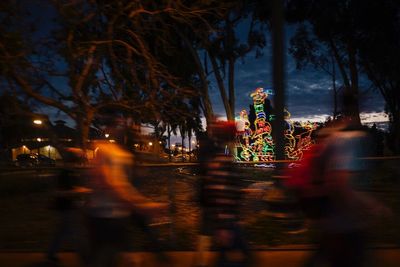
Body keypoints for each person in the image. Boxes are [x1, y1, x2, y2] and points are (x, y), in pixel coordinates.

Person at [286, 117, 391, 267]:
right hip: (343, 220)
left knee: (326, 253)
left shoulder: (324, 148)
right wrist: (366, 207)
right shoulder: (345, 143)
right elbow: (338, 182)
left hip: (328, 214)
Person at [84, 141, 167, 267]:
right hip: (105, 218)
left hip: (114, 217)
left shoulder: (114, 152)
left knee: (110, 256)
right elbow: (109, 183)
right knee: (105, 257)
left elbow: (119, 184)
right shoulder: (105, 150)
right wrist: (142, 206)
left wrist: (142, 204)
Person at [194, 121, 250, 267]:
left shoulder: (220, 156)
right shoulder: (223, 159)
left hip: (224, 216)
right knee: (240, 255)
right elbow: (221, 190)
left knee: (228, 253)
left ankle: (201, 260)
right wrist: (225, 223)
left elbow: (219, 188)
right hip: (227, 218)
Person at [47, 148, 91, 264]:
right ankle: (86, 258)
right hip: (66, 207)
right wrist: (80, 192)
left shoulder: (70, 173)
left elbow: (72, 188)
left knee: (62, 231)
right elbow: (58, 192)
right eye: (75, 161)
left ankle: (51, 253)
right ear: (70, 161)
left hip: (69, 206)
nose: (77, 164)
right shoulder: (64, 174)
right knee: (76, 233)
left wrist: (82, 191)